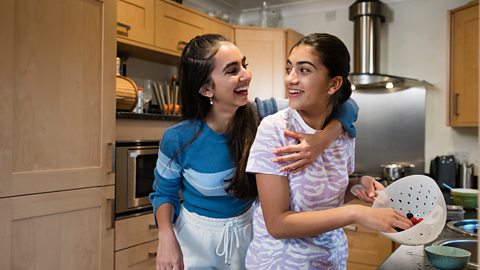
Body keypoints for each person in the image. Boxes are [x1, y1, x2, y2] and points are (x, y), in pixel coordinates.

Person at [149, 34, 359, 270]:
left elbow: (345, 103)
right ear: (207, 88)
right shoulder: (178, 139)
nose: (246, 75)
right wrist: (166, 236)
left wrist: (322, 140)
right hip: (195, 238)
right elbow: (164, 193)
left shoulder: (262, 114)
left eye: (244, 65)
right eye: (232, 70)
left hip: (247, 232)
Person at [245, 33, 413, 269]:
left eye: (304, 70)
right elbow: (277, 224)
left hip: (331, 259)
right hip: (282, 263)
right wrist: (356, 213)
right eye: (289, 68)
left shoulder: (343, 133)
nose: (290, 79)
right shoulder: (275, 129)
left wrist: (356, 187)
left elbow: (326, 194)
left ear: (333, 84)